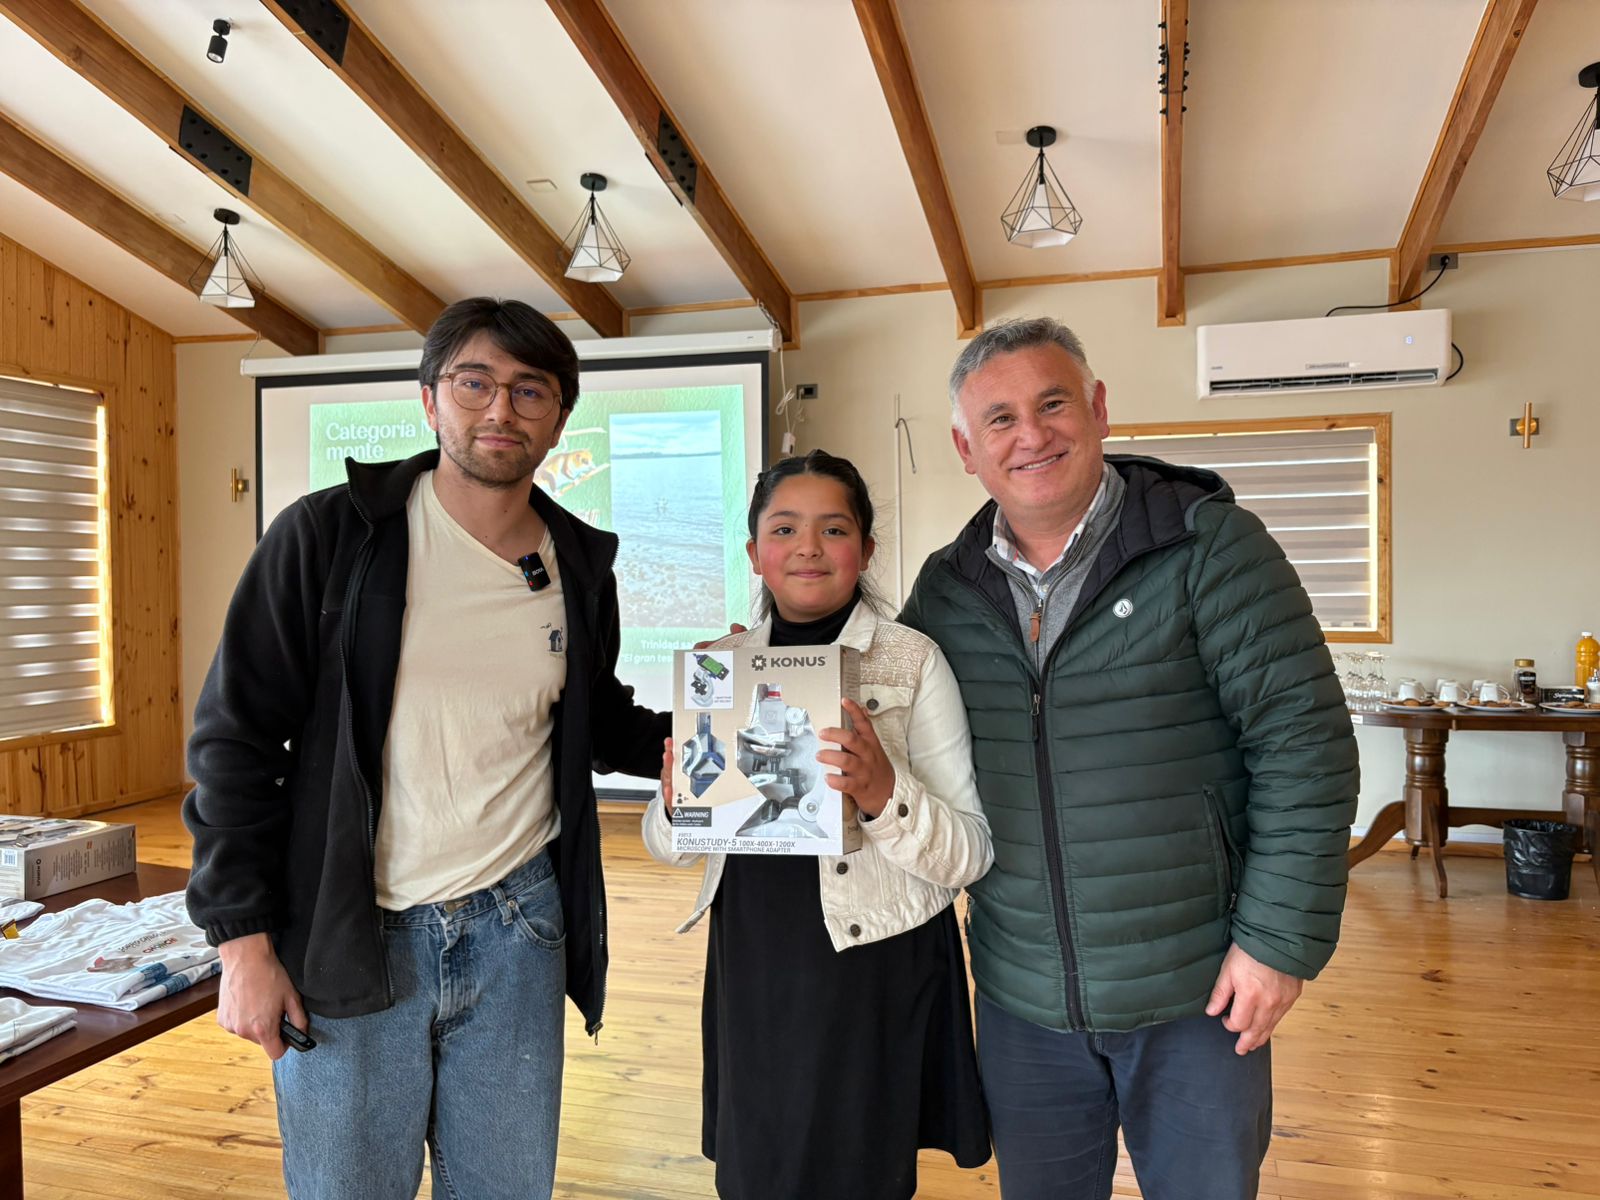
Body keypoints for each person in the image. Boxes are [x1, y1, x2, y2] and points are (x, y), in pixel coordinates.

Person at [184, 298, 668, 1199]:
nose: (500, 410)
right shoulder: (331, 538)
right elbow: (233, 740)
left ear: (560, 418)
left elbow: (594, 718)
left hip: (520, 930)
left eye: (531, 391)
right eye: (474, 382)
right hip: (352, 931)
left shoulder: (578, 563)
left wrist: (724, 738)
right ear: (429, 400)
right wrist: (241, 945)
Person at [899, 317, 1360, 1200]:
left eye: (1052, 403)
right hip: (1020, 997)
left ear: (1099, 409)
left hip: (1198, 993)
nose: (1031, 435)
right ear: (966, 447)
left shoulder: (1209, 548)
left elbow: (1307, 749)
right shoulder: (945, 592)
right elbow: (884, 723)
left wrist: (1276, 946)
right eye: (999, 419)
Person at [642, 450, 993, 1200]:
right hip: (755, 955)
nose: (808, 548)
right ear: (755, 554)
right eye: (785, 528)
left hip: (872, 959)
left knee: (859, 1168)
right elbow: (668, 845)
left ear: (865, 550)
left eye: (834, 529)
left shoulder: (913, 663)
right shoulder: (720, 666)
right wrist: (676, 803)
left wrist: (882, 794)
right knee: (754, 1162)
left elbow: (970, 853)